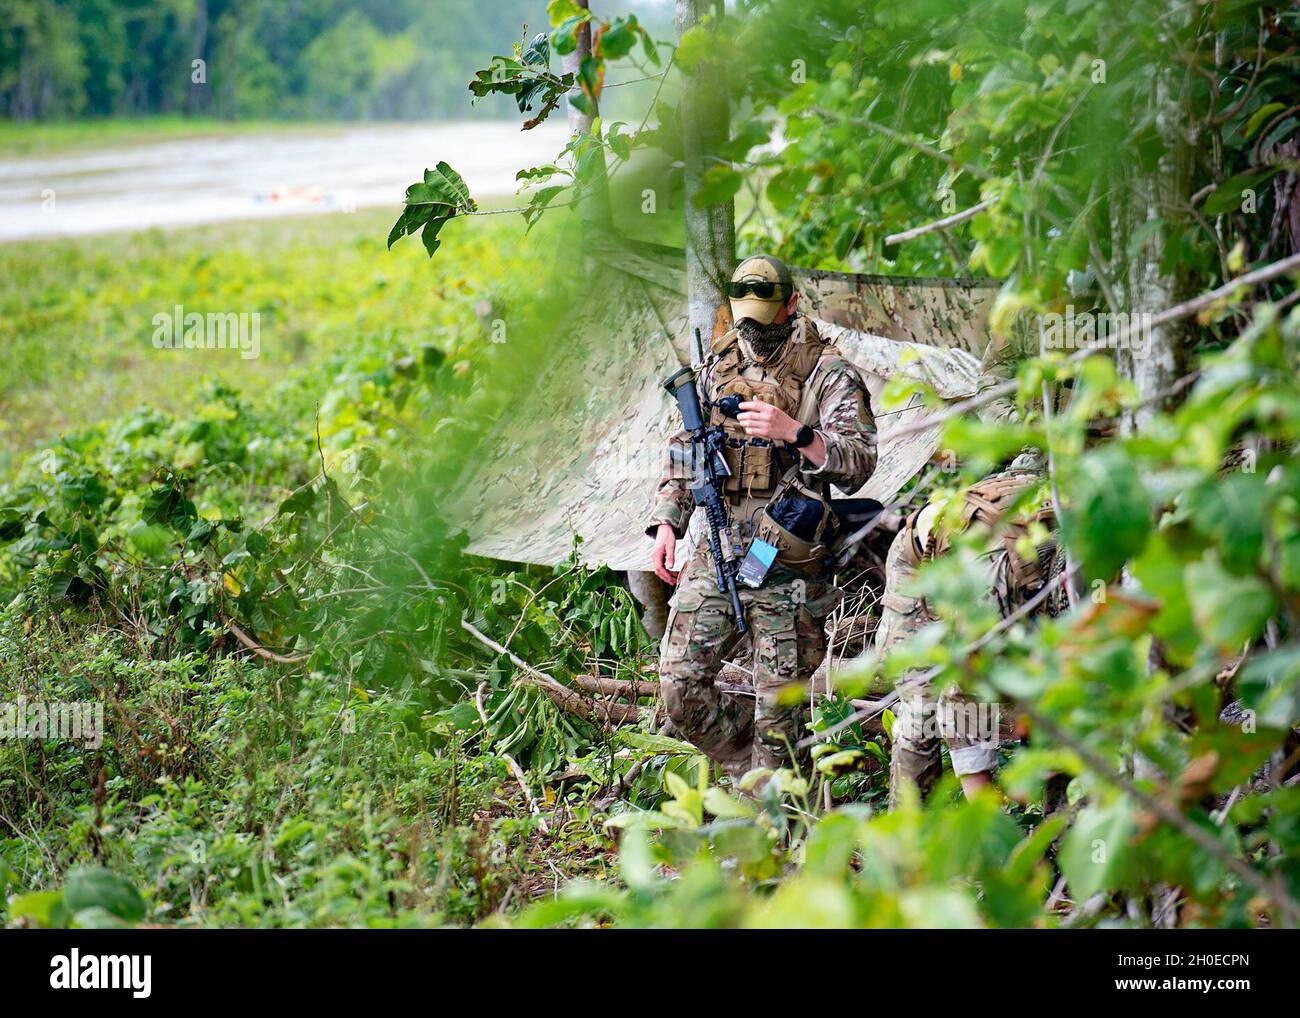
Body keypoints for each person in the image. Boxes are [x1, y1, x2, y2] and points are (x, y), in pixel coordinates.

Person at [647, 254, 877, 779]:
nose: (752, 329)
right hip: (720, 550)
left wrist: (797, 433)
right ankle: (753, 766)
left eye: (763, 315)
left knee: (779, 712)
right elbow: (686, 451)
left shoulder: (828, 371)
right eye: (743, 316)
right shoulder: (715, 370)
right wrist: (667, 523)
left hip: (788, 562)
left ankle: (773, 799)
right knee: (679, 686)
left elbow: (859, 463)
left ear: (791, 304)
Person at [876, 453, 1070, 807]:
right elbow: (961, 700)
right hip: (920, 565)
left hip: (993, 554)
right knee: (921, 711)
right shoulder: (995, 590)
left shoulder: (1088, 558)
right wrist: (988, 812)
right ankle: (910, 835)